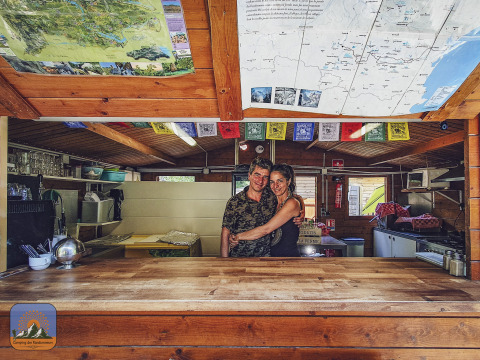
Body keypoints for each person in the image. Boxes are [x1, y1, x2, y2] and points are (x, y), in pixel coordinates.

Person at [221, 158, 304, 257]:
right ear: (249, 175)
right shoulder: (234, 202)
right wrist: (224, 262)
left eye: (265, 177)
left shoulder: (271, 196)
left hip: (267, 259)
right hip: (240, 258)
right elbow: (225, 233)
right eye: (257, 175)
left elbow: (294, 199)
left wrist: (302, 211)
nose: (260, 181)